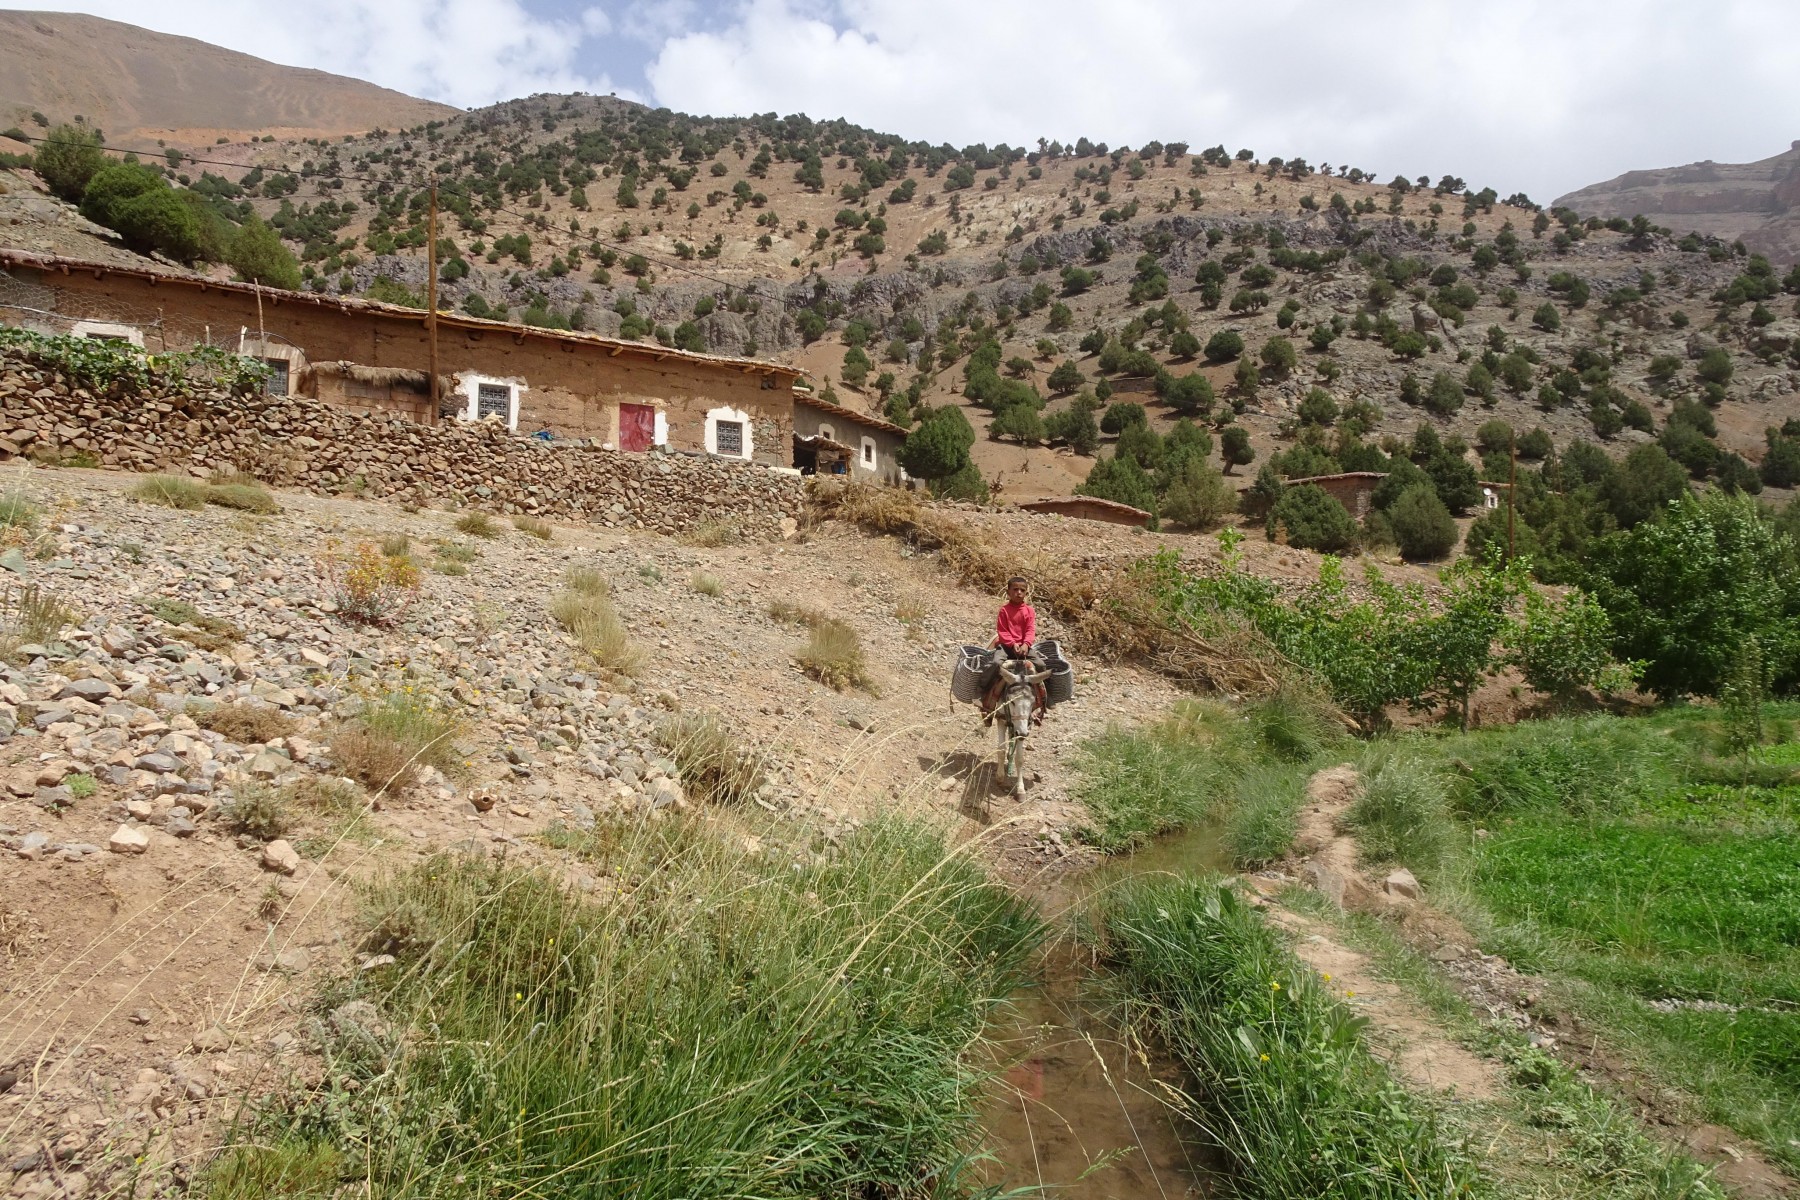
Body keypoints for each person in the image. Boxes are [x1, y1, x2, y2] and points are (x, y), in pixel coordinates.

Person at [981, 576, 1046, 723]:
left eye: (1022, 590)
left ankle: (1043, 700)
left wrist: (1026, 644)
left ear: (1026, 592)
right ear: (1008, 592)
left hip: (1024, 647)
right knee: (995, 663)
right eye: (1015, 589)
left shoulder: (1029, 611)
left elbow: (1030, 630)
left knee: (1041, 665)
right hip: (1006, 646)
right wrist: (1012, 644)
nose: (1019, 592)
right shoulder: (1004, 610)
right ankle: (984, 692)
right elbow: (1002, 631)